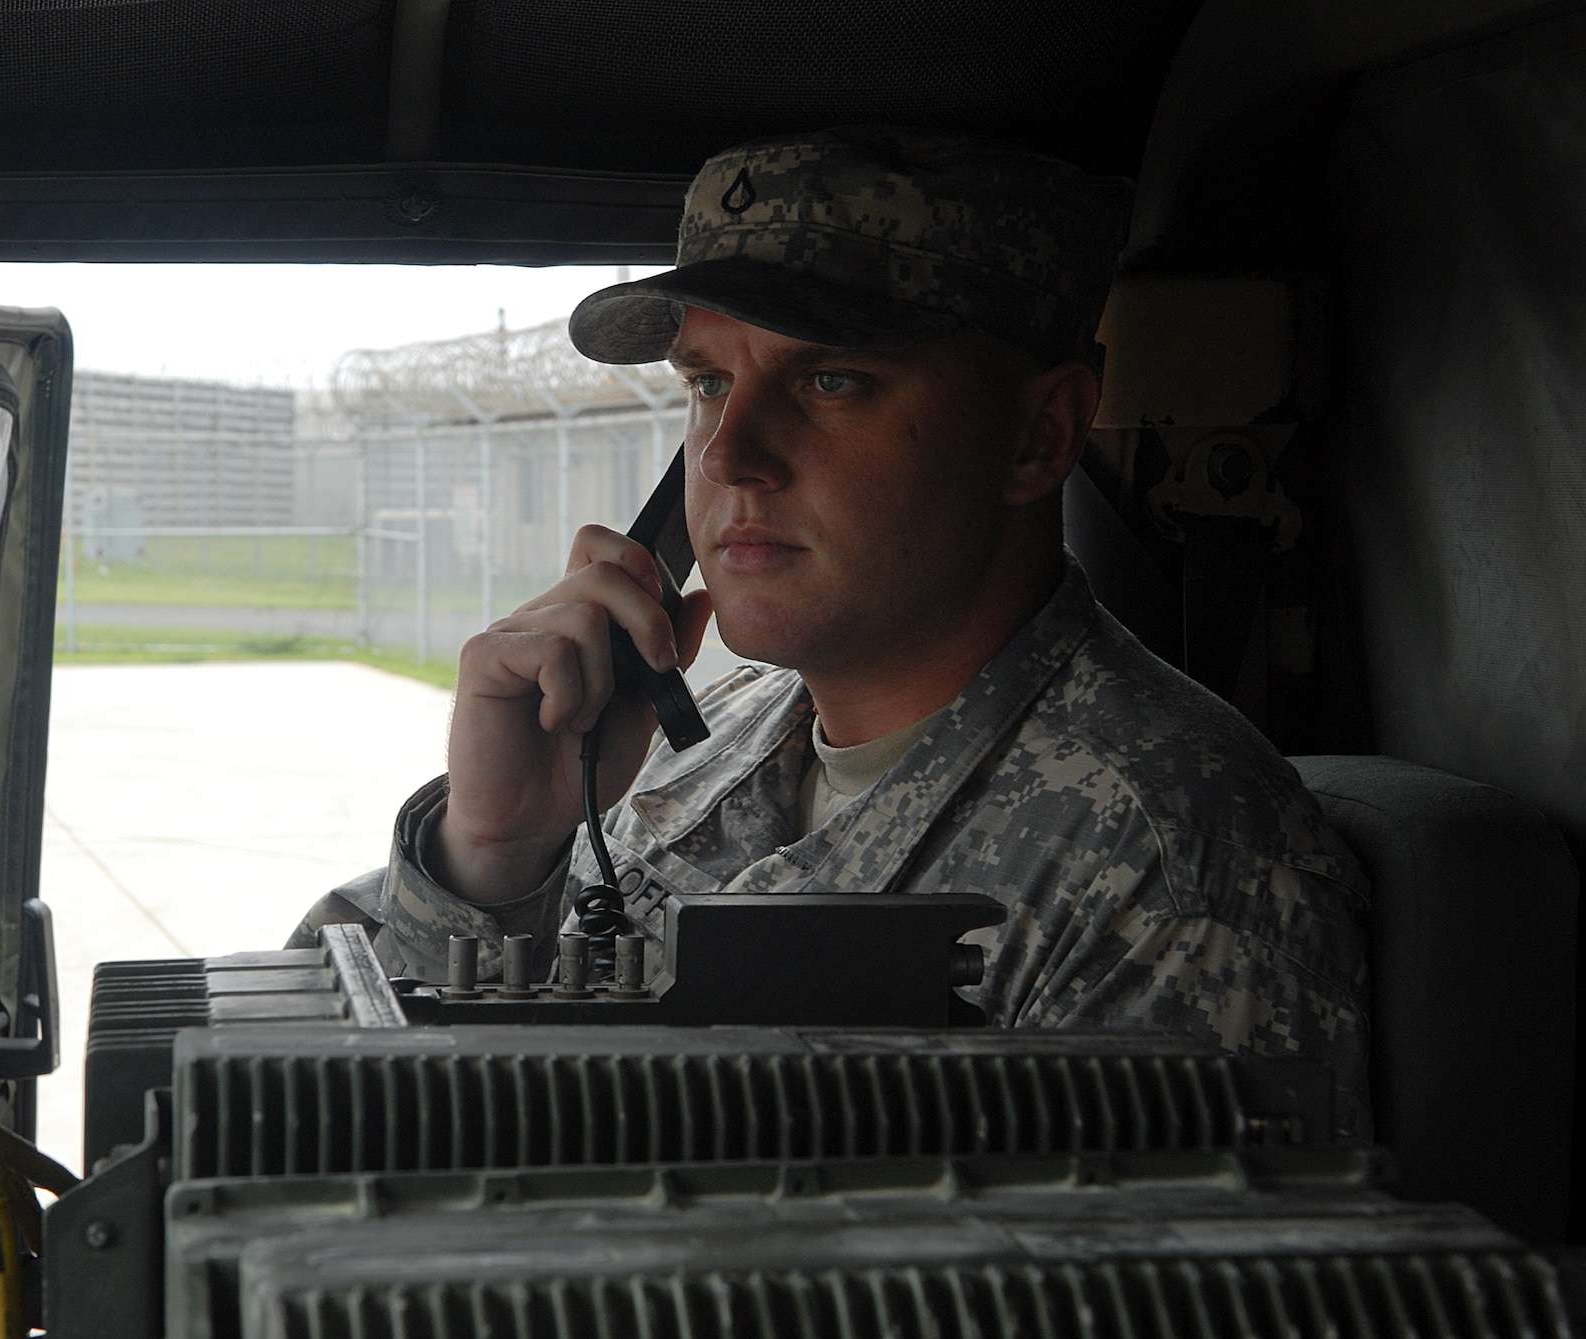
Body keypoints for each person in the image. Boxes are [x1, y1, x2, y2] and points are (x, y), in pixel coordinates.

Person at [292, 126, 1372, 1137]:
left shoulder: (1170, 864)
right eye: (709, 382)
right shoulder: (707, 734)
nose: (726, 457)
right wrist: (493, 854)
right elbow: (315, 1090)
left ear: (1036, 436)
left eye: (829, 379)